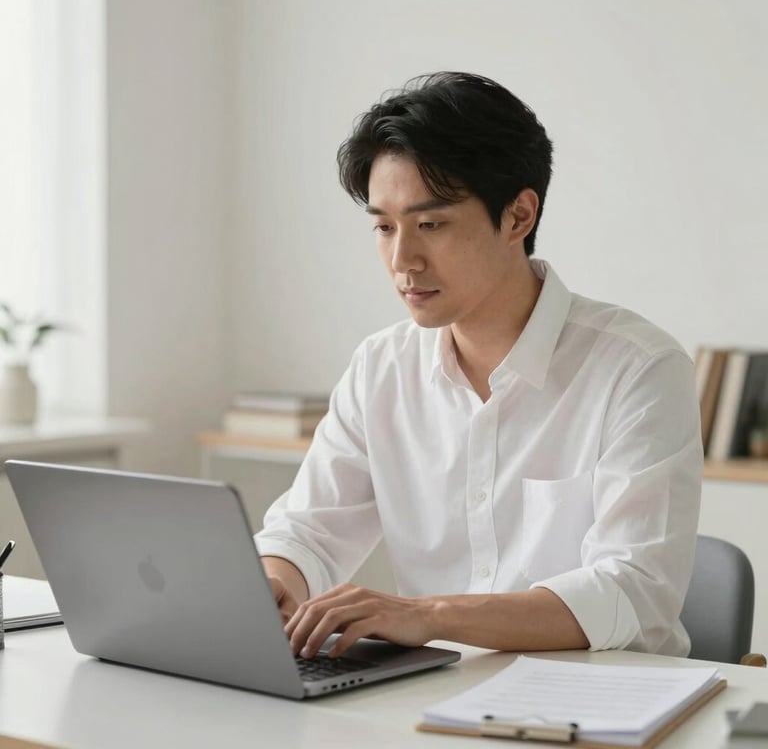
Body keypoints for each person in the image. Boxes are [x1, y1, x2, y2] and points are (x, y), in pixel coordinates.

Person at [255, 72, 702, 661]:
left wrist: (426, 615)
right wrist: (274, 583)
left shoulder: (638, 369)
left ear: (518, 216)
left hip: (605, 705)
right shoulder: (381, 368)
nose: (402, 260)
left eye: (430, 225)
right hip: (429, 700)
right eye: (384, 227)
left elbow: (633, 592)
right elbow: (308, 529)